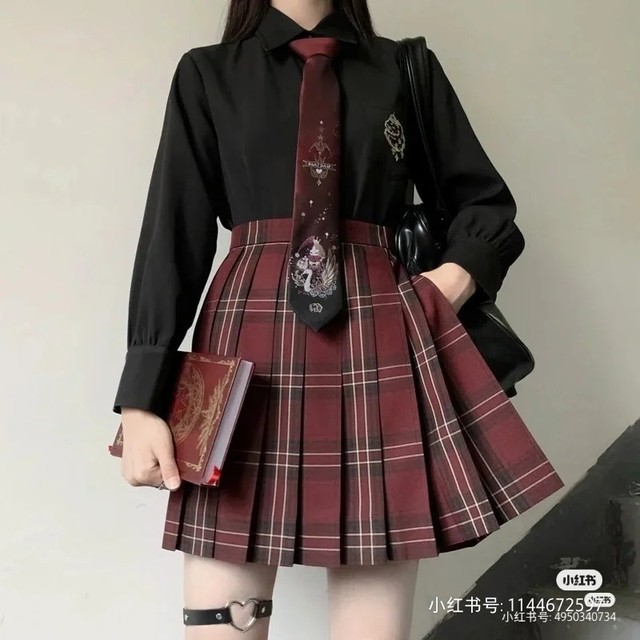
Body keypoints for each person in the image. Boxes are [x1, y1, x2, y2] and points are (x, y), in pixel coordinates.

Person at [111, 1, 564, 638]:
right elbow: (173, 233)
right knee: (220, 625)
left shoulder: (402, 68)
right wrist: (141, 398)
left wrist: (446, 286)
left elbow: (484, 203)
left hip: (384, 336)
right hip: (247, 341)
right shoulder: (208, 73)